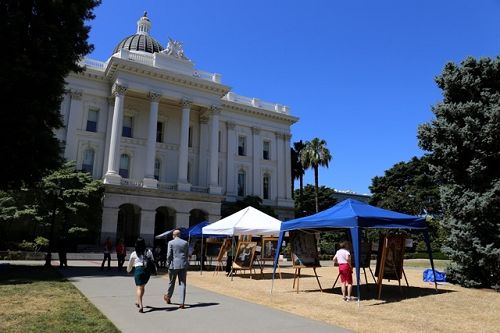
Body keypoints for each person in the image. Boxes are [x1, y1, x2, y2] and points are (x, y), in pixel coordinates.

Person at [127, 237, 154, 313]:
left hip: (138, 270)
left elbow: (130, 265)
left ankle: (141, 306)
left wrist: (128, 270)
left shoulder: (134, 253)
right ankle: (137, 301)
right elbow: (152, 260)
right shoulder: (148, 251)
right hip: (147, 271)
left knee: (139, 288)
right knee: (142, 287)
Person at [163, 229, 189, 309]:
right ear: (180, 235)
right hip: (183, 265)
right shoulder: (185, 243)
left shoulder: (171, 242)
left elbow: (169, 255)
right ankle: (182, 302)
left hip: (173, 265)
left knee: (171, 282)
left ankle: (168, 297)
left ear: (174, 235)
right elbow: (187, 254)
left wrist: (168, 263)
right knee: (182, 283)